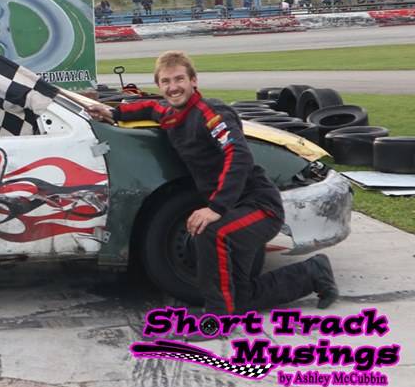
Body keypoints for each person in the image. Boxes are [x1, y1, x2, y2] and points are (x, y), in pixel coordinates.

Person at [85, 51, 339, 316]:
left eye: (179, 79)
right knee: (239, 297)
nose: (173, 87)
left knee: (210, 232)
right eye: (166, 81)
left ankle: (217, 317)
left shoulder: (211, 113)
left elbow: (238, 155)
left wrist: (216, 207)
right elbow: (149, 108)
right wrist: (112, 112)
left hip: (259, 206)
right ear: (159, 85)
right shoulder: (170, 113)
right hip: (234, 209)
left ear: (193, 80)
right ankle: (314, 272)